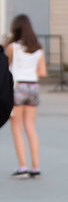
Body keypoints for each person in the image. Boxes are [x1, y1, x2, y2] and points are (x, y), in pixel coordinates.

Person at [6, 14, 47, 178]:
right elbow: (42, 72)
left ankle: (23, 167)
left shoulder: (13, 47)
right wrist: (31, 71)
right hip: (33, 87)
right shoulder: (38, 48)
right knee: (31, 127)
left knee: (17, 128)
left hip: (17, 86)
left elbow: (7, 66)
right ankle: (35, 167)